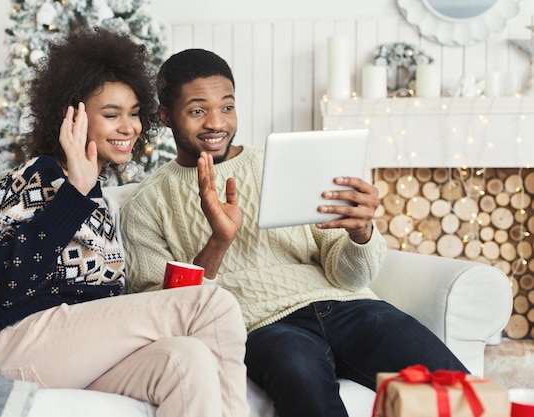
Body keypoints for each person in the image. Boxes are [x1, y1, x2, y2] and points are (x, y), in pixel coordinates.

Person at [120, 48, 469, 417]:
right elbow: (162, 311)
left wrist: (361, 233)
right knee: (307, 395)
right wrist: (218, 242)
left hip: (351, 308)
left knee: (459, 392)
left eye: (227, 107)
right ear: (165, 116)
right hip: (263, 327)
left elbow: (350, 278)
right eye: (197, 110)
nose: (215, 123)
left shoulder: (282, 163)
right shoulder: (144, 204)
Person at [0, 30, 250, 417]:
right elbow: (4, 281)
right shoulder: (37, 176)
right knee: (213, 305)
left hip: (66, 352)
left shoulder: (94, 193)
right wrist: (73, 193)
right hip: (11, 344)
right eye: (111, 115)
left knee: (186, 359)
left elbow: (103, 307)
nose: (129, 127)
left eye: (133, 113)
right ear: (71, 116)